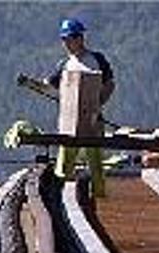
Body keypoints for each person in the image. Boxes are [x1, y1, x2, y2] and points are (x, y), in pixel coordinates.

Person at [44, 18, 115, 197]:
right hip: (70, 124)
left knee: (95, 162)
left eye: (70, 38)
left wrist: (98, 103)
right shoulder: (64, 65)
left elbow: (110, 84)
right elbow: (50, 86)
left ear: (80, 38)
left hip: (92, 121)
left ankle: (99, 196)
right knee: (64, 161)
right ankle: (59, 196)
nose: (67, 43)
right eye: (64, 40)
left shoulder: (97, 60)